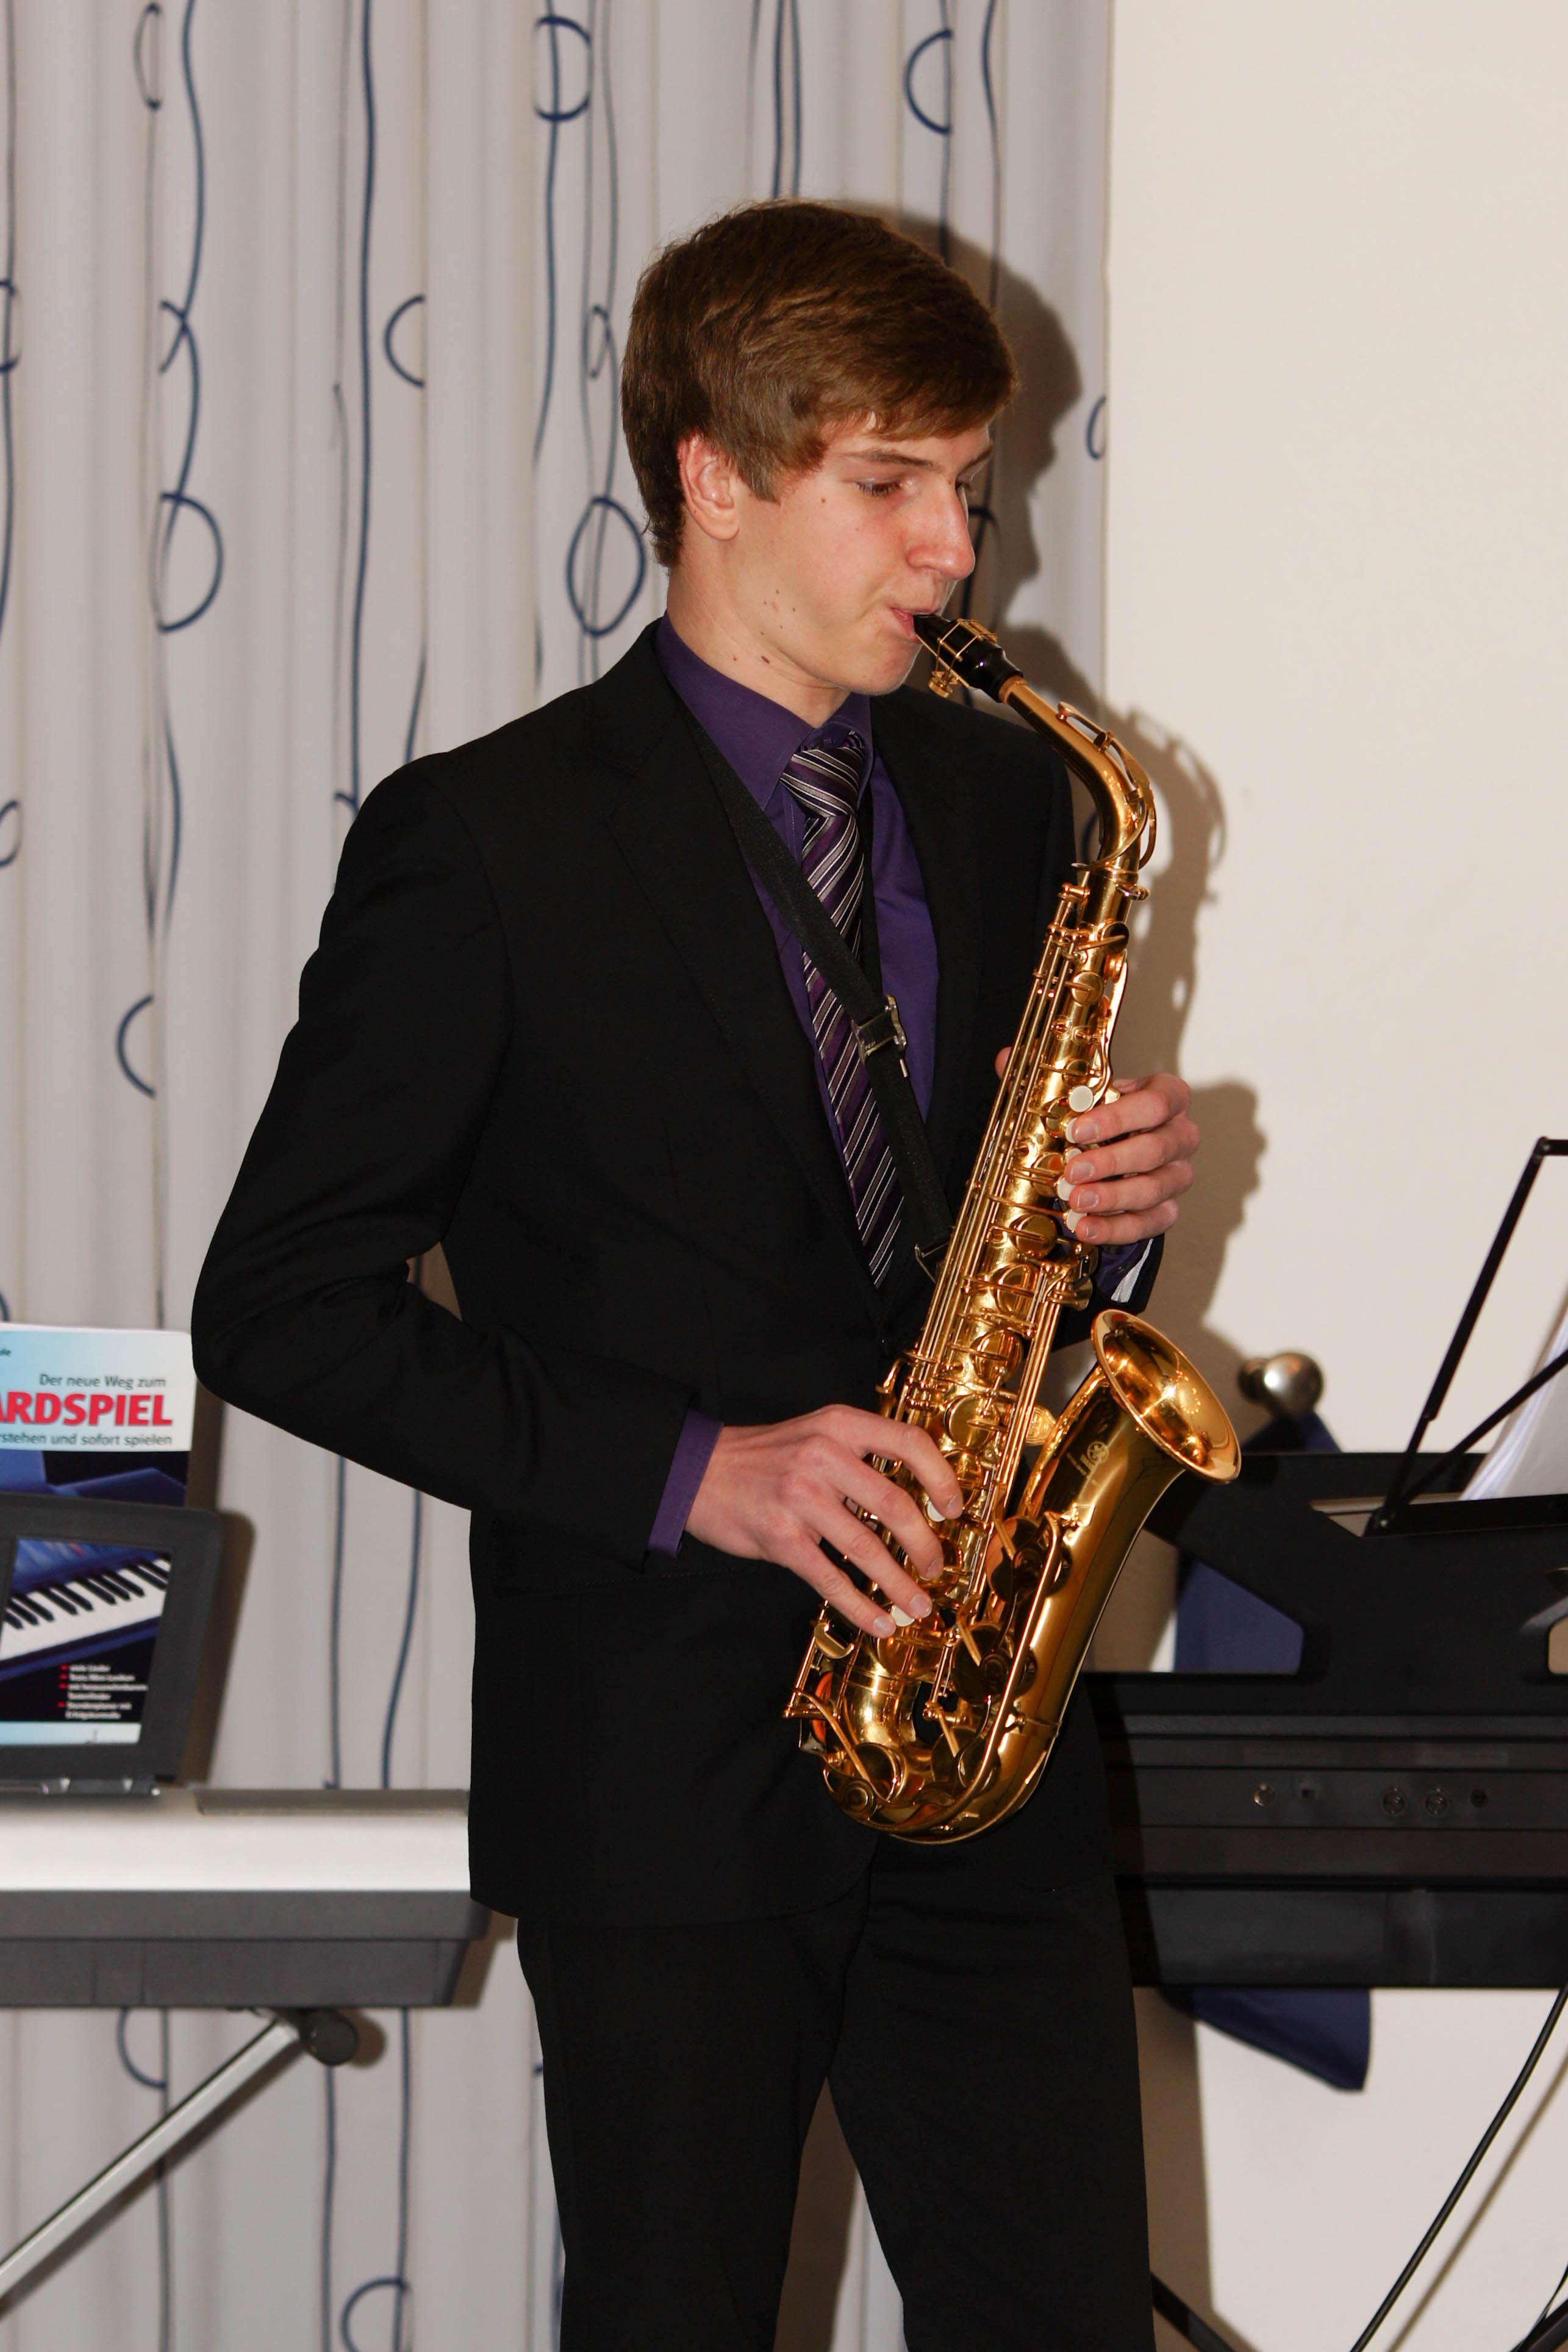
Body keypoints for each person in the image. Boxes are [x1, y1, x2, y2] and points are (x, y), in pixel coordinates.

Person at [192, 200, 1199, 2351]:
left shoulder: (1005, 802)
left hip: (974, 1724)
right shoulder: (487, 840)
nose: (956, 552)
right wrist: (699, 1472)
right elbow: (278, 1304)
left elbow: (966, 1251)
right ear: (711, 475)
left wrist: (1103, 1216)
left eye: (969, 488)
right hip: (660, 1755)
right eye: (891, 485)